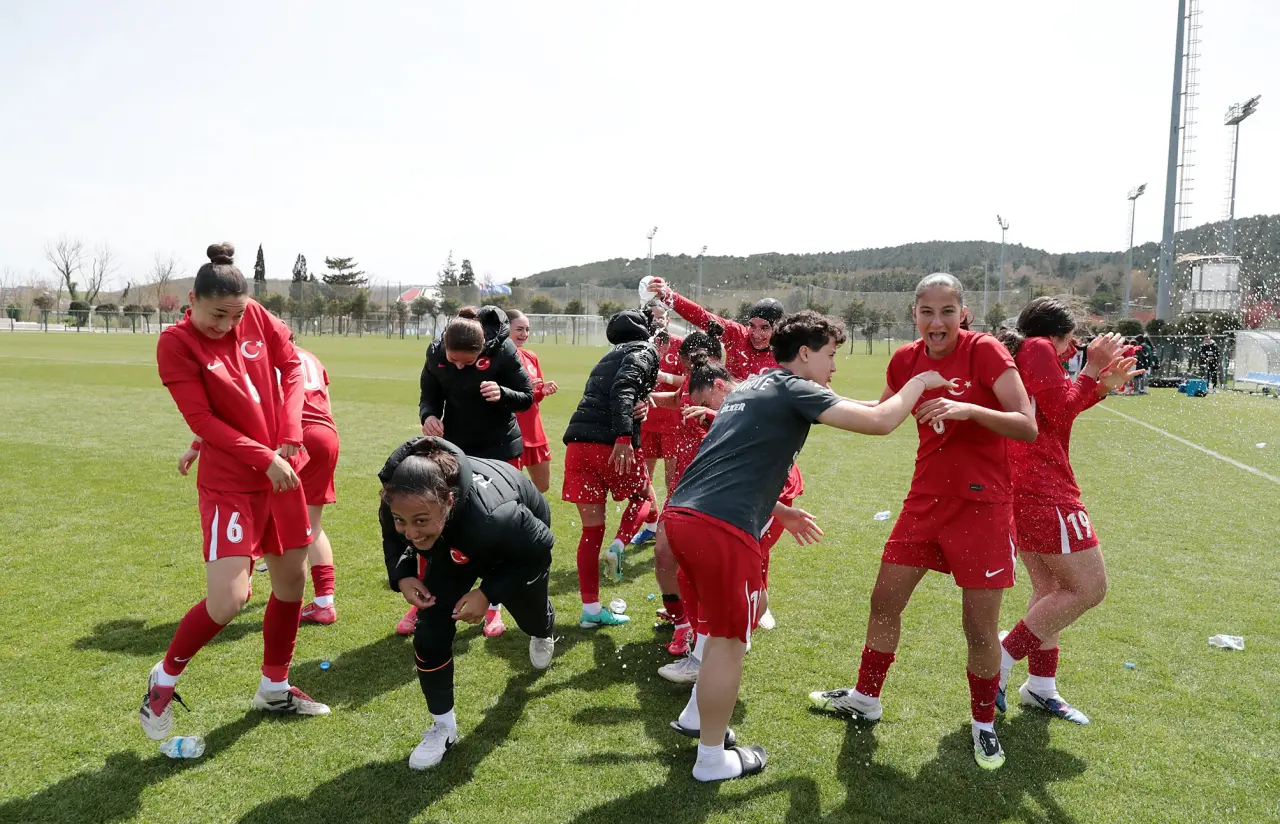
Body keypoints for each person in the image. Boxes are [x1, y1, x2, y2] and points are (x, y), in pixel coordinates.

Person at [662, 310, 956, 782]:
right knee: (731, 641)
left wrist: (780, 510)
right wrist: (920, 382)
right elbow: (879, 421)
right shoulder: (793, 387)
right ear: (804, 353)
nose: (834, 365)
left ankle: (699, 717)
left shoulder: (756, 385)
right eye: (830, 354)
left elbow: (735, 459)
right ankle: (711, 760)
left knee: (737, 620)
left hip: (686, 516)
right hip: (721, 526)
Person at [809, 273, 1038, 772]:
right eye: (927, 312)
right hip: (924, 502)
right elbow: (883, 411)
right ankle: (866, 698)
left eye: (947, 311)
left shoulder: (985, 351)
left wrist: (967, 409)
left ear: (963, 313)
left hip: (982, 509)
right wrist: (815, 399)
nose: (937, 322)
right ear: (914, 314)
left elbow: (1027, 424)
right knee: (884, 601)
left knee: (979, 628)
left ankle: (983, 723)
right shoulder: (906, 359)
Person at [142, 243, 329, 743]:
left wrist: (290, 432)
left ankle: (275, 688)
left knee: (291, 582)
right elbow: (202, 419)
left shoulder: (256, 316)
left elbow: (293, 367)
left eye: (236, 315)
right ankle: (163, 678)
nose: (227, 325)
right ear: (192, 300)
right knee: (229, 600)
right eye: (217, 315)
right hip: (232, 483)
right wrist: (263, 456)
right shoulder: (175, 344)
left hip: (282, 472)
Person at [994, 301, 1139, 725]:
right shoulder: (1038, 348)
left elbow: (1058, 412)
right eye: (1072, 340)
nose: (1073, 348)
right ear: (1056, 334)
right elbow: (1058, 412)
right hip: (1045, 488)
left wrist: (1101, 386)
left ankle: (1041, 687)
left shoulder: (1029, 351)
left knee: (1051, 589)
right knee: (1090, 588)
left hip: (1026, 486)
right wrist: (1091, 368)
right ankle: (1003, 657)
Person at [379, 437, 555, 770]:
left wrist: (487, 593)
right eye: (403, 519)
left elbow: (539, 551)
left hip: (514, 545)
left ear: (449, 500)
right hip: (459, 535)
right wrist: (403, 574)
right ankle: (443, 727)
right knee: (430, 630)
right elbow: (393, 535)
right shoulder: (398, 496)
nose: (411, 533)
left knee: (531, 618)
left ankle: (543, 625)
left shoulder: (497, 515)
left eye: (420, 521)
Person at [175, 342, 341, 624]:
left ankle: (243, 581)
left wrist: (196, 445)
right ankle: (325, 602)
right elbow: (324, 401)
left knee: (257, 509)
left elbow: (236, 408)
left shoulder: (258, 356)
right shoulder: (311, 357)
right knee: (312, 525)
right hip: (326, 435)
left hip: (288, 436)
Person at [406, 305, 533, 637]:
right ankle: (425, 600)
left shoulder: (504, 350)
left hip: (499, 449)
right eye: (454, 360)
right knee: (438, 523)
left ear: (483, 349)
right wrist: (428, 416)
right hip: (455, 449)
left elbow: (526, 397)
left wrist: (502, 393)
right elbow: (428, 396)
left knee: (498, 527)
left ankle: (493, 606)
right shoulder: (436, 353)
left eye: (468, 361)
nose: (460, 367)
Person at [562, 309, 659, 628]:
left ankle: (590, 610)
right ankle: (619, 546)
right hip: (610, 444)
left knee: (591, 531)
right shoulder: (645, 349)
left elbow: (615, 391)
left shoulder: (608, 356)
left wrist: (642, 401)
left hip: (578, 446)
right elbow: (623, 388)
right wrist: (623, 436)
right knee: (644, 498)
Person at [628, 326, 686, 547]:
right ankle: (651, 527)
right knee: (644, 479)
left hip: (673, 422)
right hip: (646, 420)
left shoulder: (680, 344)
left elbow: (690, 381)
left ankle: (670, 528)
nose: (658, 319)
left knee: (673, 481)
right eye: (653, 315)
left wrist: (665, 377)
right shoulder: (641, 343)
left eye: (661, 314)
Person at [507, 310, 558, 496]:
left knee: (542, 485)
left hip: (534, 431)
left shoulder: (530, 356)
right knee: (509, 486)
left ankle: (523, 508)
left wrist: (541, 391)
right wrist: (521, 388)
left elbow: (535, 395)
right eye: (519, 329)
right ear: (505, 328)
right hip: (511, 432)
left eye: (527, 329)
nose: (524, 334)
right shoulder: (498, 358)